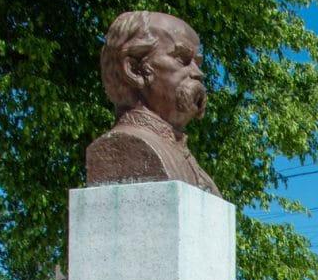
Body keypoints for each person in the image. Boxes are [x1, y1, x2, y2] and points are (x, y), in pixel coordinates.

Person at [86, 10, 221, 195]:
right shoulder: (127, 149)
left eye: (198, 63)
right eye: (183, 59)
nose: (198, 73)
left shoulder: (185, 155)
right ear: (134, 69)